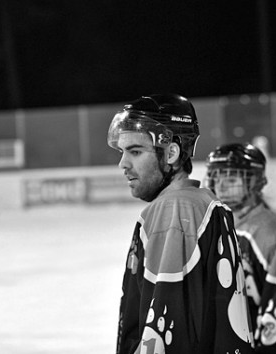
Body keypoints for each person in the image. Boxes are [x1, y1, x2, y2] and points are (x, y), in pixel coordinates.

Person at [107, 94, 254, 354]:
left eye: (136, 151)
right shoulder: (202, 203)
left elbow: (166, 329)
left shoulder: (173, 211)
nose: (123, 164)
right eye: (122, 152)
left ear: (172, 152)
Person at [205, 142, 276, 353]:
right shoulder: (211, 227)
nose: (221, 186)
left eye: (231, 178)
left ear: (255, 181)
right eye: (217, 178)